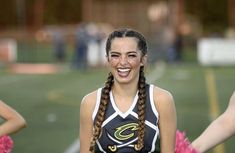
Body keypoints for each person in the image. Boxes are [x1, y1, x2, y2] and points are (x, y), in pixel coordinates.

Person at [80, 28, 177, 153]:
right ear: (107, 60)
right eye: (115, 55)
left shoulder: (161, 100)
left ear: (143, 60)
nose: (123, 62)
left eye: (131, 55)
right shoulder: (90, 103)